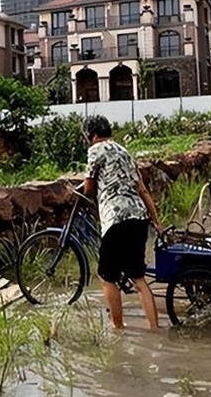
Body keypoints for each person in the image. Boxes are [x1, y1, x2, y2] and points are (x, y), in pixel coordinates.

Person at [82, 114, 163, 331]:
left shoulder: (95, 150)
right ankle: (155, 328)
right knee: (138, 277)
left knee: (107, 275)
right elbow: (142, 189)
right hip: (138, 217)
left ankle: (118, 328)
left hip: (116, 219)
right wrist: (156, 221)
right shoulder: (124, 152)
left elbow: (88, 189)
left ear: (91, 135)